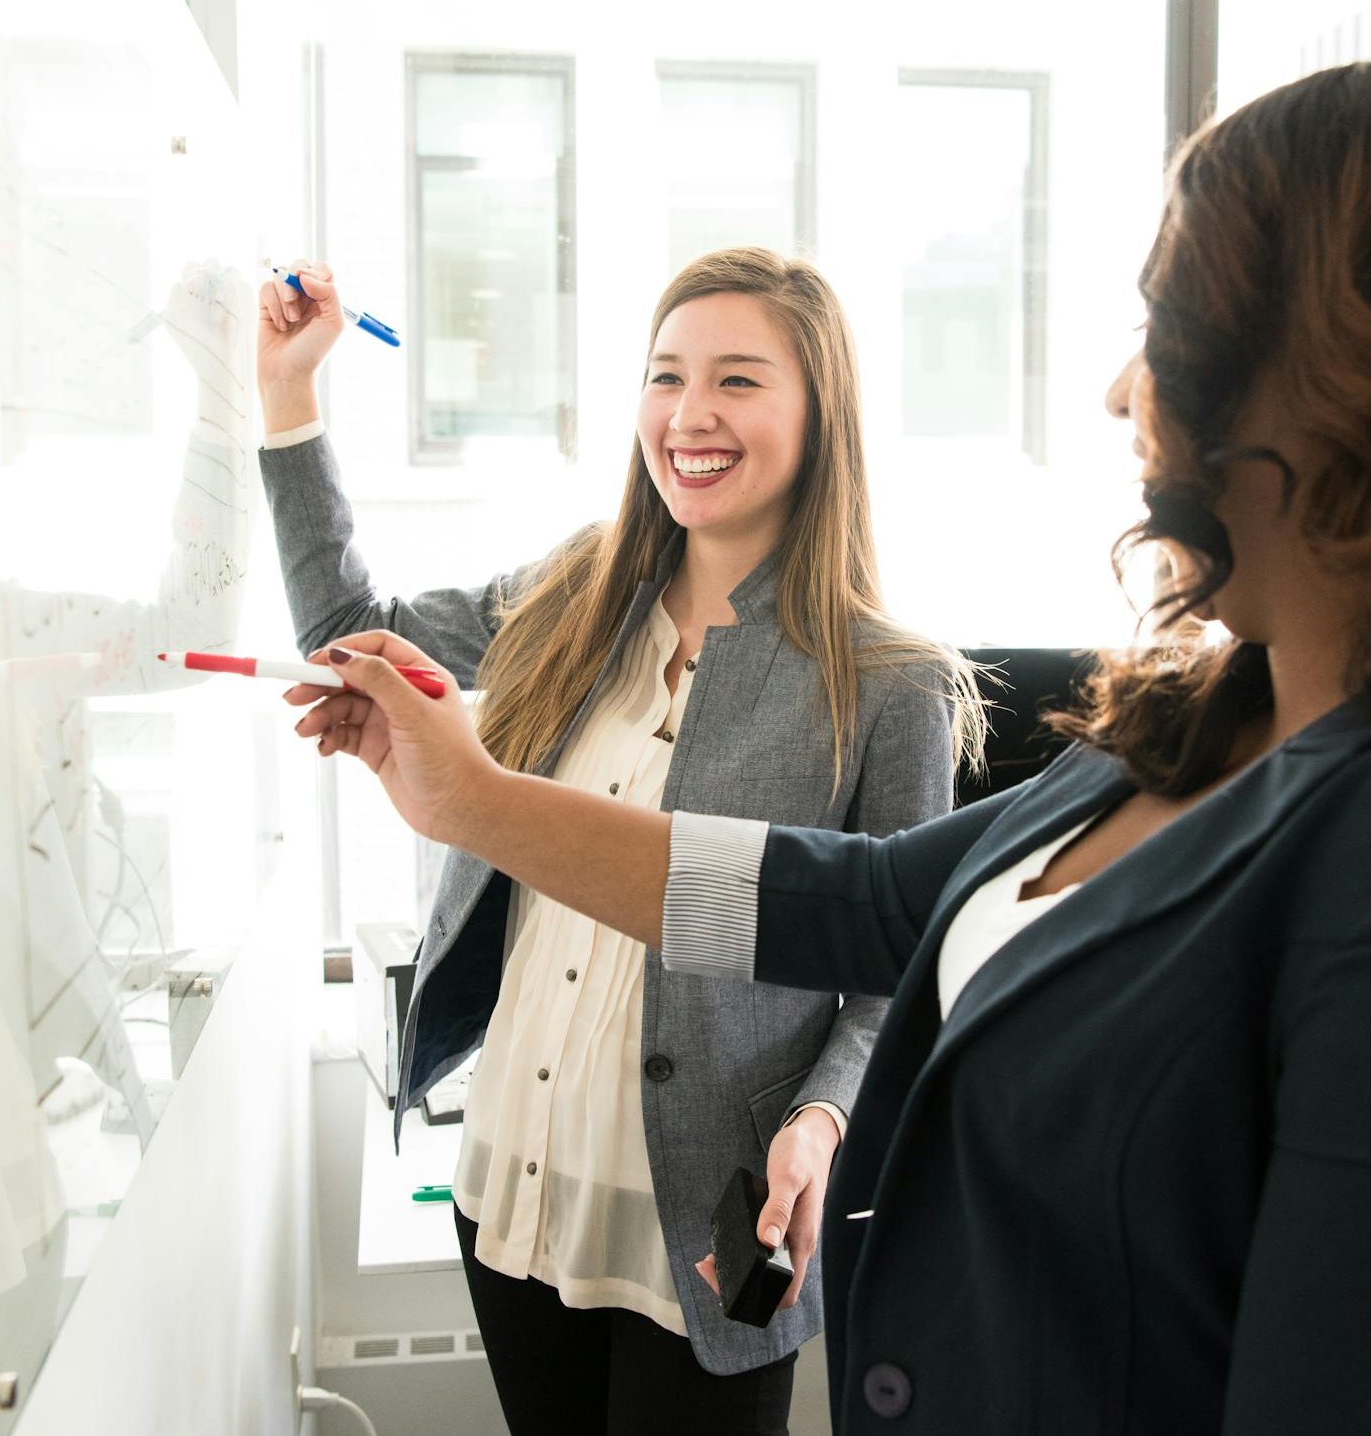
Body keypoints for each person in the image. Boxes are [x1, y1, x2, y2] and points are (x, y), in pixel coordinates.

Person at [286, 60, 1371, 1434]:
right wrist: (476, 801)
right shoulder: (1203, 721)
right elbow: (855, 901)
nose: (1122, 390)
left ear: (1355, 372)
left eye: (1166, 329)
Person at [255, 247, 979, 1434]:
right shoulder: (575, 589)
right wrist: (291, 396)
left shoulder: (891, 683)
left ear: (820, 412)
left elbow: (902, 965)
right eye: (665, 375)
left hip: (708, 1221)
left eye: (738, 380)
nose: (690, 414)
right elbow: (353, 633)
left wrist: (825, 1115)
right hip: (515, 1179)